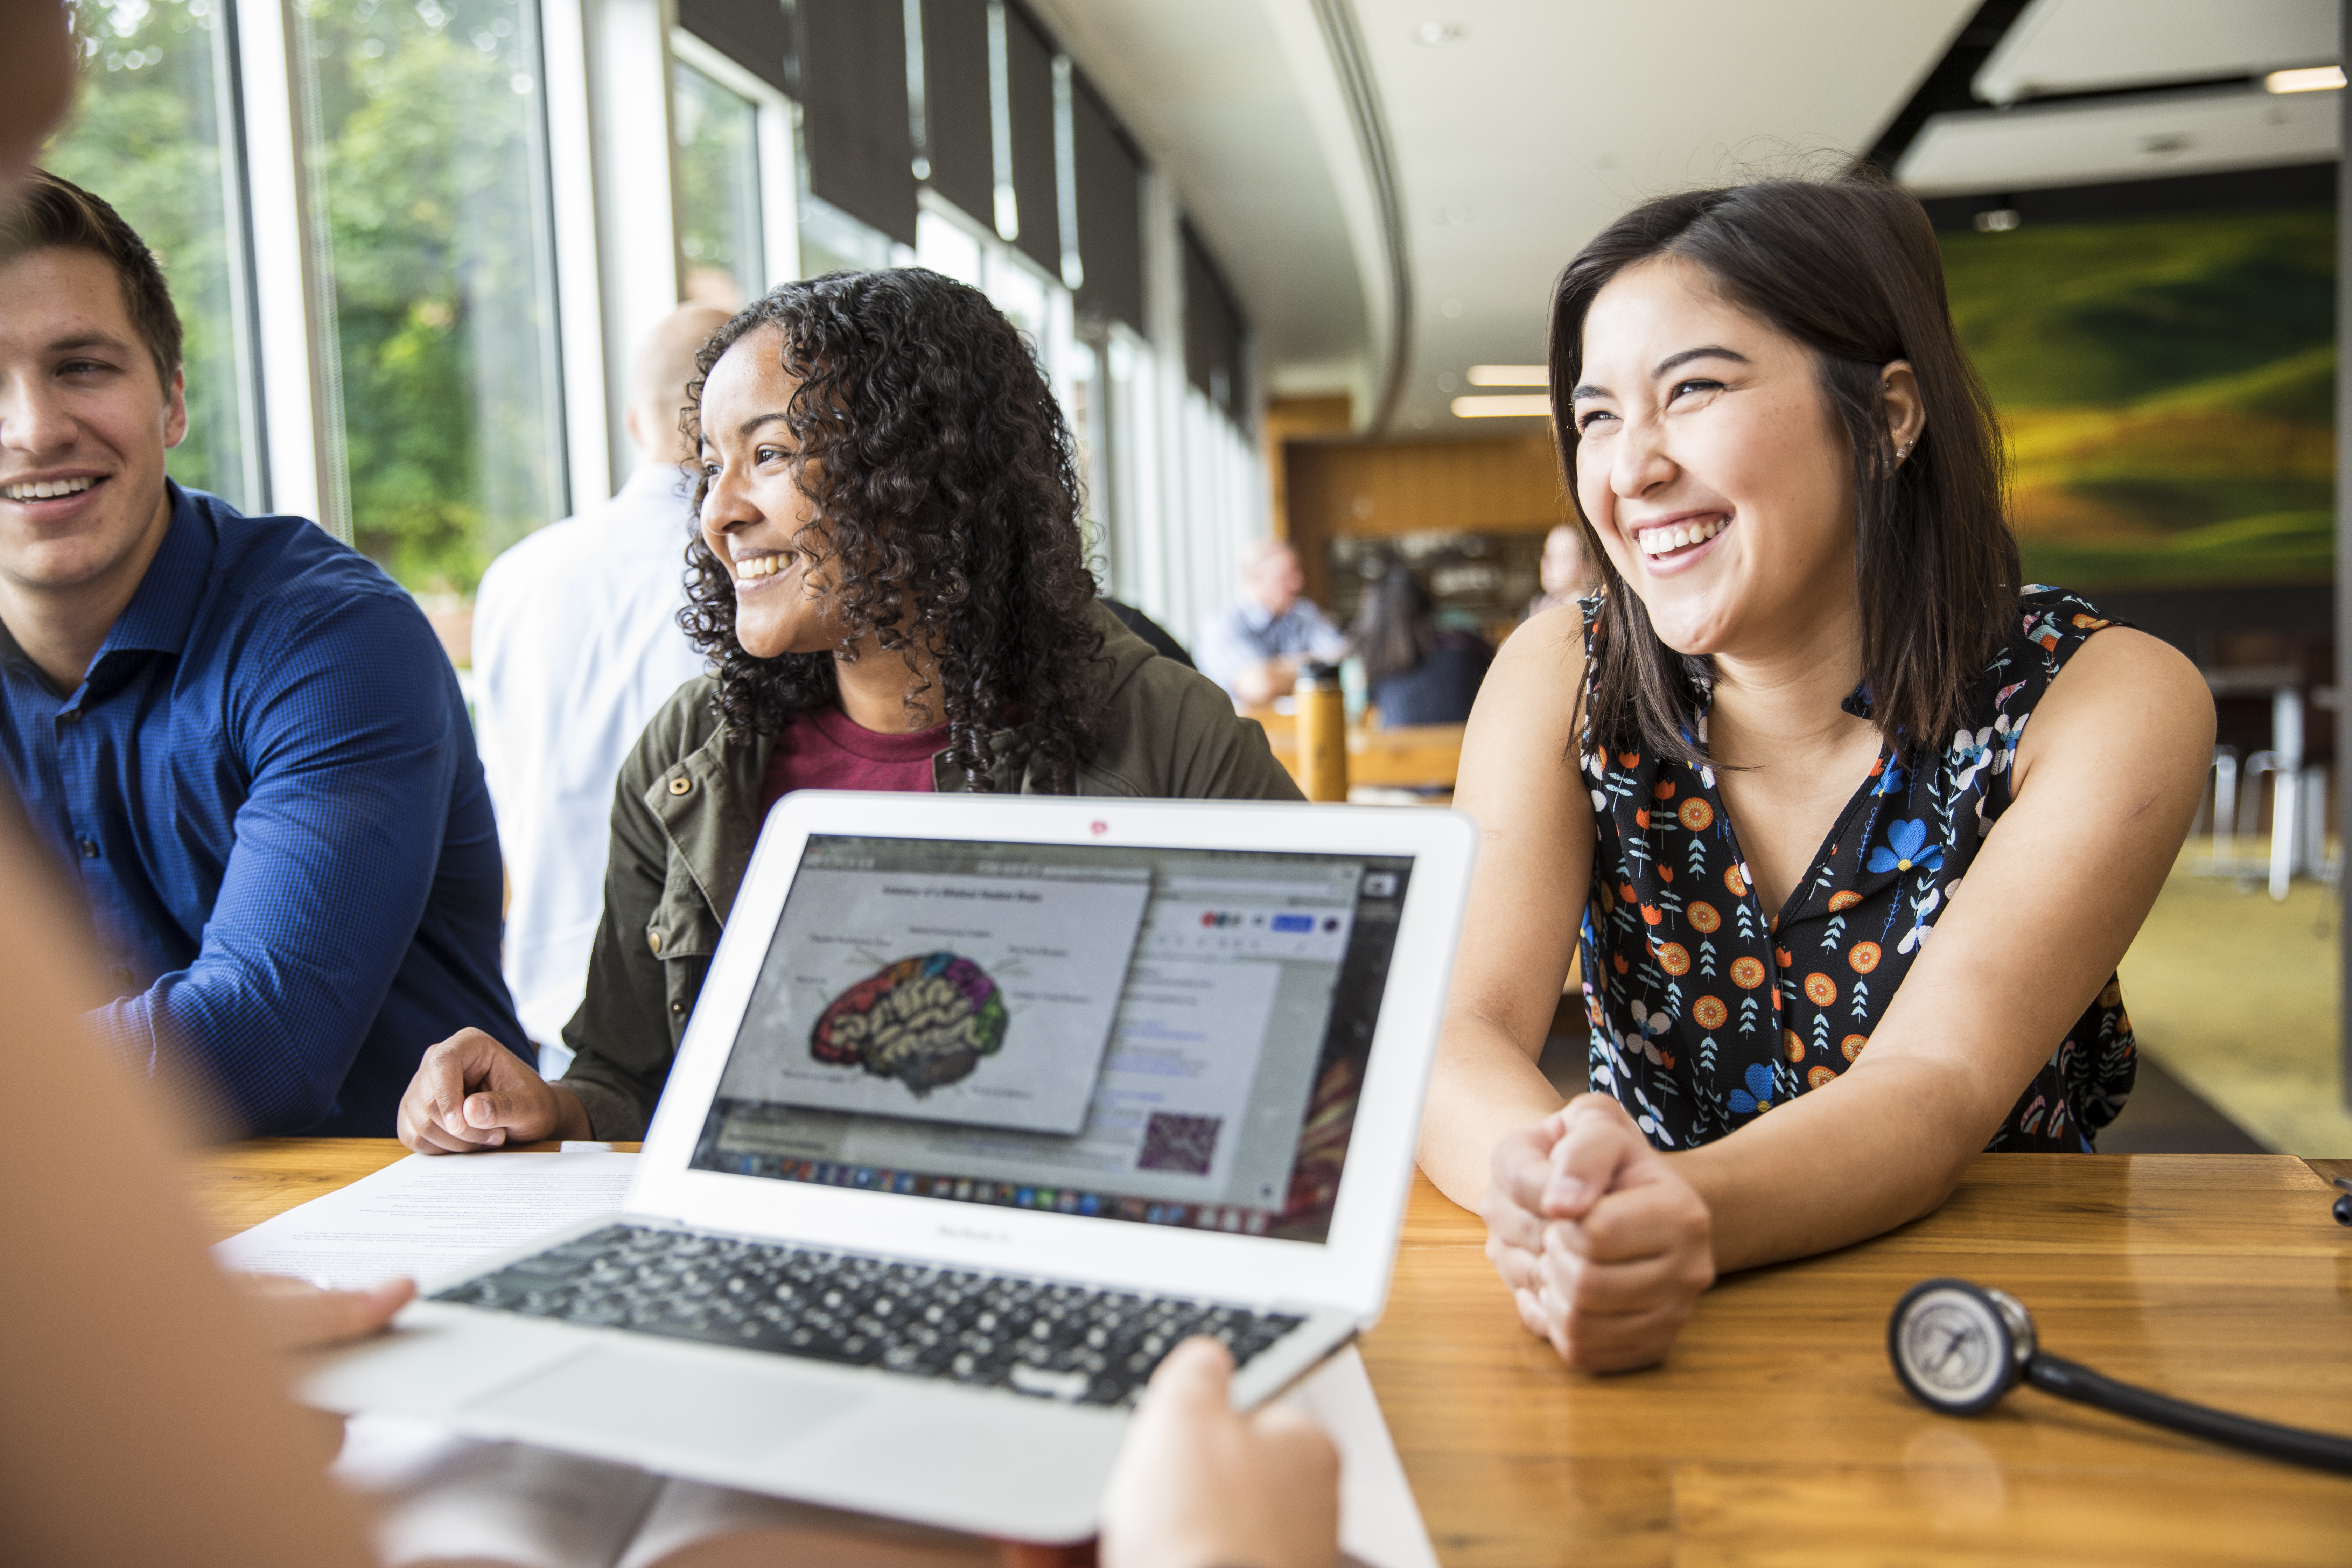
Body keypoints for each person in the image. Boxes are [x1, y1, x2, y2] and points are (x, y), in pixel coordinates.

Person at [1416, 173, 2212, 1375]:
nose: (1631, 471)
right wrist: (1554, 1200)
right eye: (1595, 417)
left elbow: (1934, 1083)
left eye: (1692, 391)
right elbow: (1454, 1031)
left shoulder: (2103, 700)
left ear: (1888, 414)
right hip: (1641, 1328)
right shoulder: (1562, 674)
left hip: (1981, 1333)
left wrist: (1672, 1215)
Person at [395, 267, 1303, 1152]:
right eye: (712, 467)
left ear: (922, 464)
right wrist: (549, 1108)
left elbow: (1318, 1036)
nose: (720, 513)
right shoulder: (688, 756)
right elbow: (627, 1079)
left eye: (771, 455)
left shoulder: (1163, 730)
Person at [0, 170, 527, 1140]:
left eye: (81, 367)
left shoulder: (332, 641)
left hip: (398, 1240)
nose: (34, 430)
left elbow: (254, 1048)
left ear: (171, 402)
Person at [473, 304, 726, 1073]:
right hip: (708, 1006)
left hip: (553, 1017)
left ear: (632, 420)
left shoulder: (516, 576)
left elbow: (507, 786)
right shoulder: (746, 577)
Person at [1196, 537, 1348, 706]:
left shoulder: (1305, 613)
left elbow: (1348, 665)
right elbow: (1260, 686)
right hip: (1246, 728)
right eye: (1286, 577)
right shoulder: (1222, 624)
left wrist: (1274, 670)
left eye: (1298, 573)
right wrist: (1315, 668)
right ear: (1256, 578)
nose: (1299, 583)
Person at [1351, 560, 1492, 728]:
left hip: (1398, 750)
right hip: (1470, 749)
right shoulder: (1463, 639)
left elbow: (1355, 713)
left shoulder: (1367, 659)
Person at [1524, 521, 1597, 618]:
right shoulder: (1534, 608)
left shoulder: (1593, 614)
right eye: (1546, 553)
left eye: (1562, 557)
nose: (1547, 562)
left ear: (1587, 566)